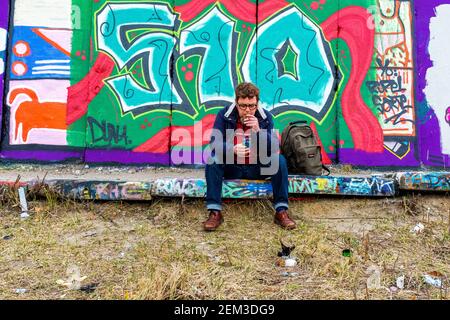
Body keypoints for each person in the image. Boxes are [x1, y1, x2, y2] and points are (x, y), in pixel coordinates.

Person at [204, 82, 296, 231]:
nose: (247, 110)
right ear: (236, 102)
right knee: (213, 160)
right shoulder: (224, 114)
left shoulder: (265, 117)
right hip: (232, 166)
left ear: (257, 103)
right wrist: (232, 149)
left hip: (256, 167)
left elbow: (273, 148)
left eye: (252, 106)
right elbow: (214, 144)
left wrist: (258, 130)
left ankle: (281, 211)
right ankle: (215, 212)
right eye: (243, 106)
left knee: (279, 161)